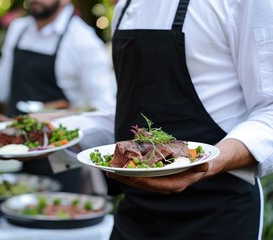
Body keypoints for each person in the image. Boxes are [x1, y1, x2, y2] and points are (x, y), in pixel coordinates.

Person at [39, 0, 272, 238]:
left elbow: (270, 111)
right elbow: (126, 115)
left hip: (217, 216)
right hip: (135, 217)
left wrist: (210, 162)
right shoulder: (125, 7)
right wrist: (48, 133)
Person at [0, 0, 116, 193]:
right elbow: (2, 88)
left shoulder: (83, 41)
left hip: (57, 161)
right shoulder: (18, 29)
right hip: (10, 151)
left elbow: (103, 108)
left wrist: (51, 115)